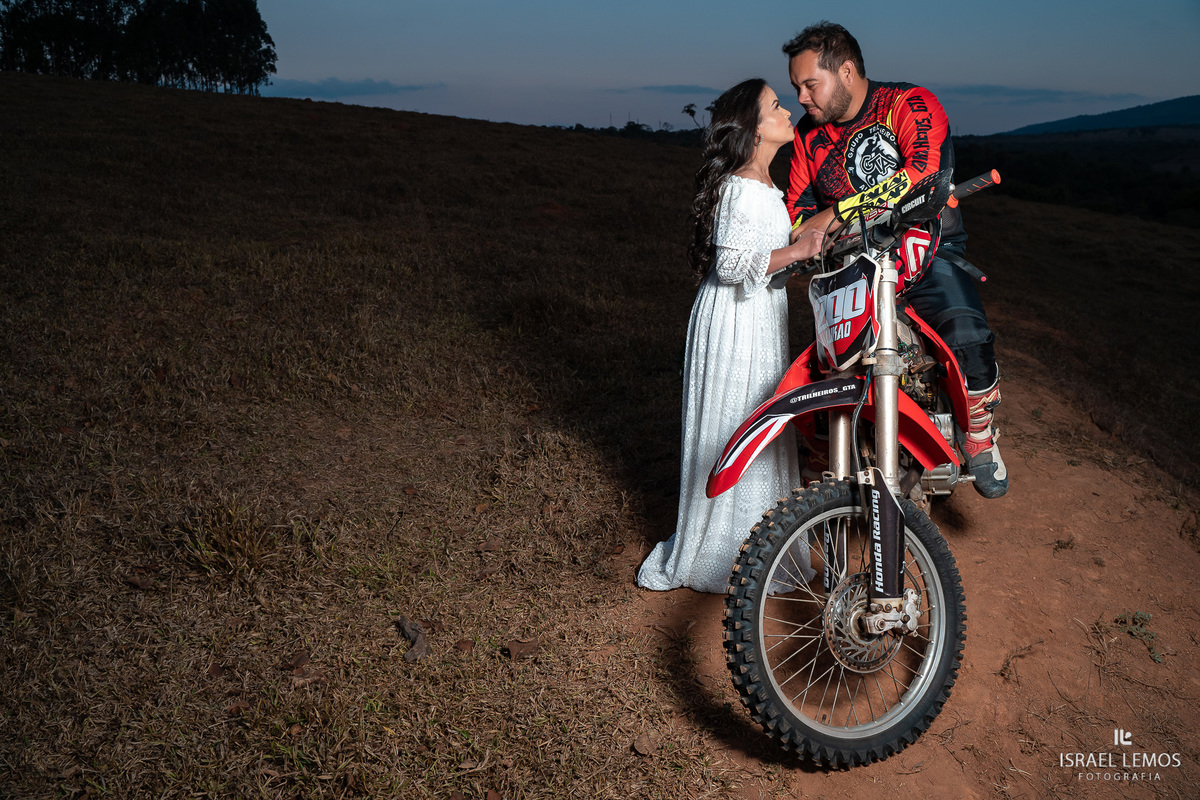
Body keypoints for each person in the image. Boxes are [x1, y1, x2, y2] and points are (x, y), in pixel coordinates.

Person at [782, 21, 1008, 498]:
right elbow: (800, 216)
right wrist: (819, 228)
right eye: (796, 88)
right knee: (826, 365)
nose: (801, 97)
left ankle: (979, 433)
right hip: (849, 264)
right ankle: (830, 458)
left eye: (809, 84)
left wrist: (838, 210)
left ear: (845, 71)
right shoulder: (806, 136)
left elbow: (923, 175)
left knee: (968, 335)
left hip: (926, 248)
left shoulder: (909, 104)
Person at [638, 78, 826, 593]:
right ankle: (722, 552)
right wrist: (799, 251)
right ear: (753, 127)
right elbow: (733, 263)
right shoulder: (741, 187)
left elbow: (763, 263)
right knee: (737, 422)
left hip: (758, 317)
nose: (788, 112)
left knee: (758, 418)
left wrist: (805, 250)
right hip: (734, 324)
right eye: (776, 106)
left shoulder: (763, 184)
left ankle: (758, 541)